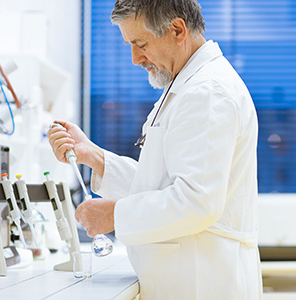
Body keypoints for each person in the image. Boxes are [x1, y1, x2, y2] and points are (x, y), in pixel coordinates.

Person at [47, 0, 263, 299]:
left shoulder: (207, 92)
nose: (135, 58)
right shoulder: (186, 86)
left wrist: (113, 214)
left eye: (140, 43)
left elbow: (196, 201)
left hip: (203, 282)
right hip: (186, 277)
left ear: (177, 29)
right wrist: (94, 157)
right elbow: (163, 184)